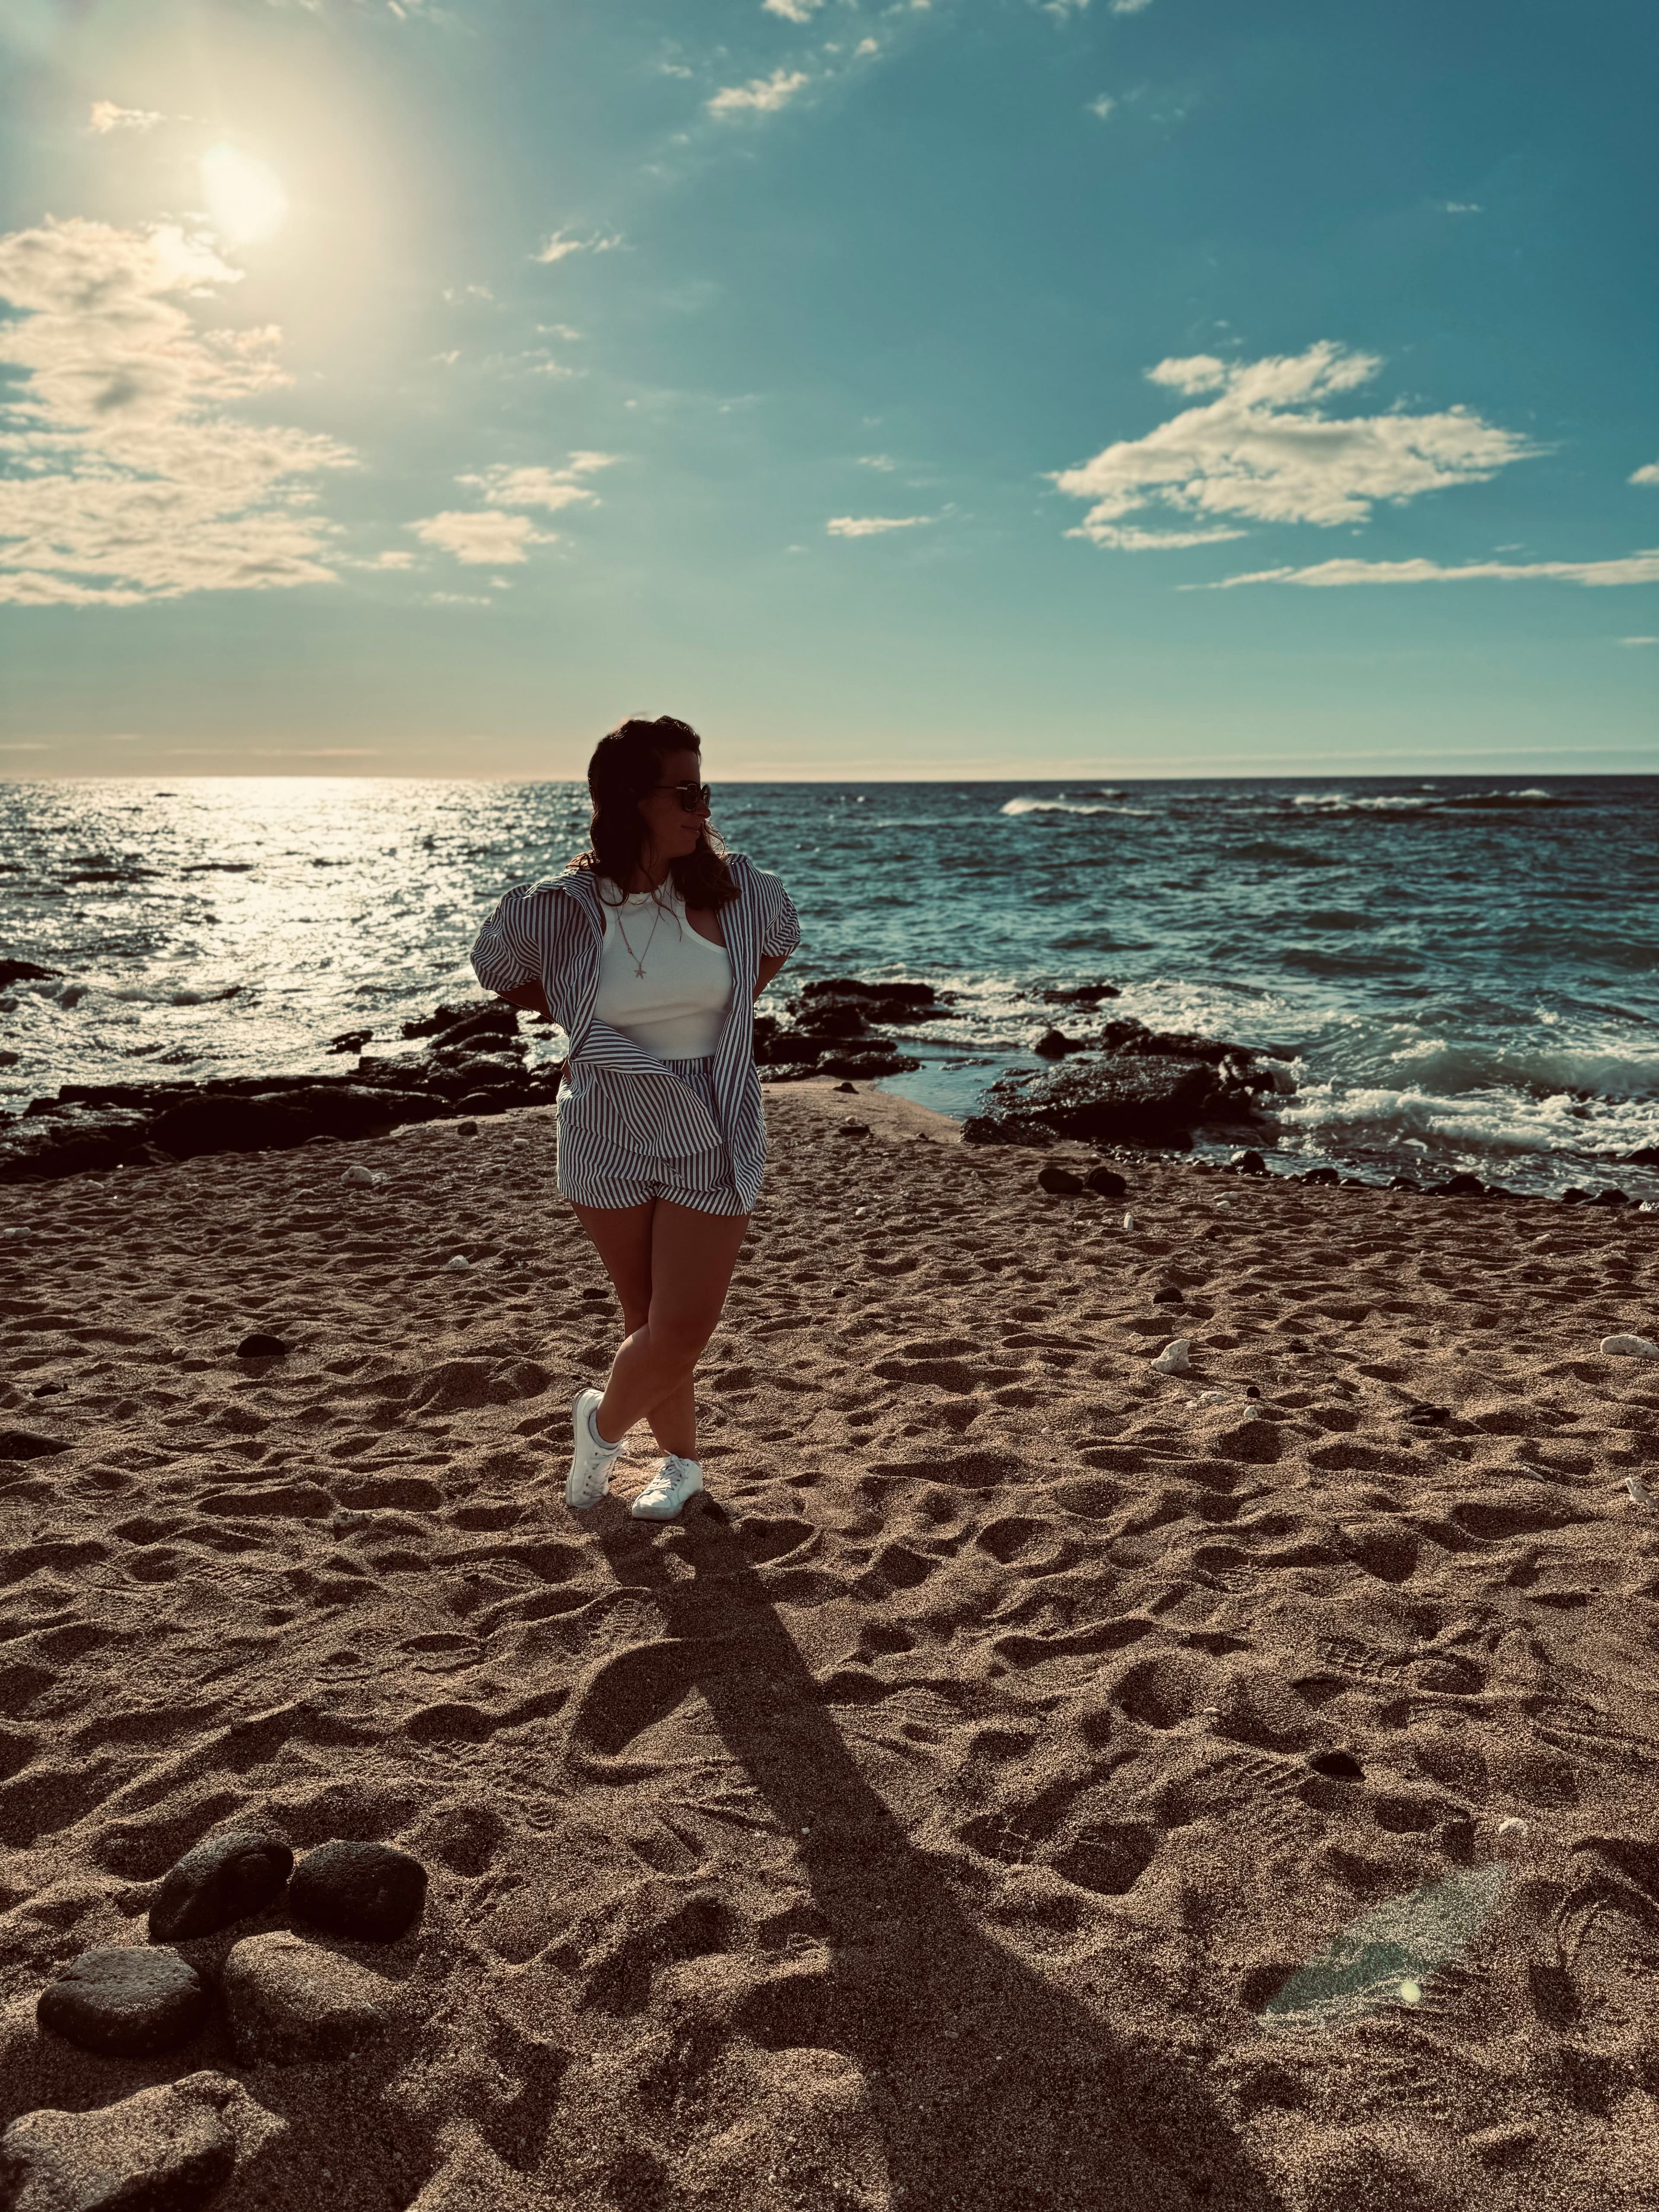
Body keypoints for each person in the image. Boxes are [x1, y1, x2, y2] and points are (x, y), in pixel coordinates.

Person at [469, 715, 801, 1522]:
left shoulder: (740, 887)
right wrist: (578, 1020)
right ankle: (681, 1464)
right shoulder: (562, 906)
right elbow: (496, 966)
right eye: (683, 791)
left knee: (682, 1325)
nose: (701, 807)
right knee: (646, 1320)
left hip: (710, 1119)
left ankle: (600, 1426)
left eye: (705, 789)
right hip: (607, 1121)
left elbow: (780, 941)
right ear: (628, 801)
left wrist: (716, 1030)